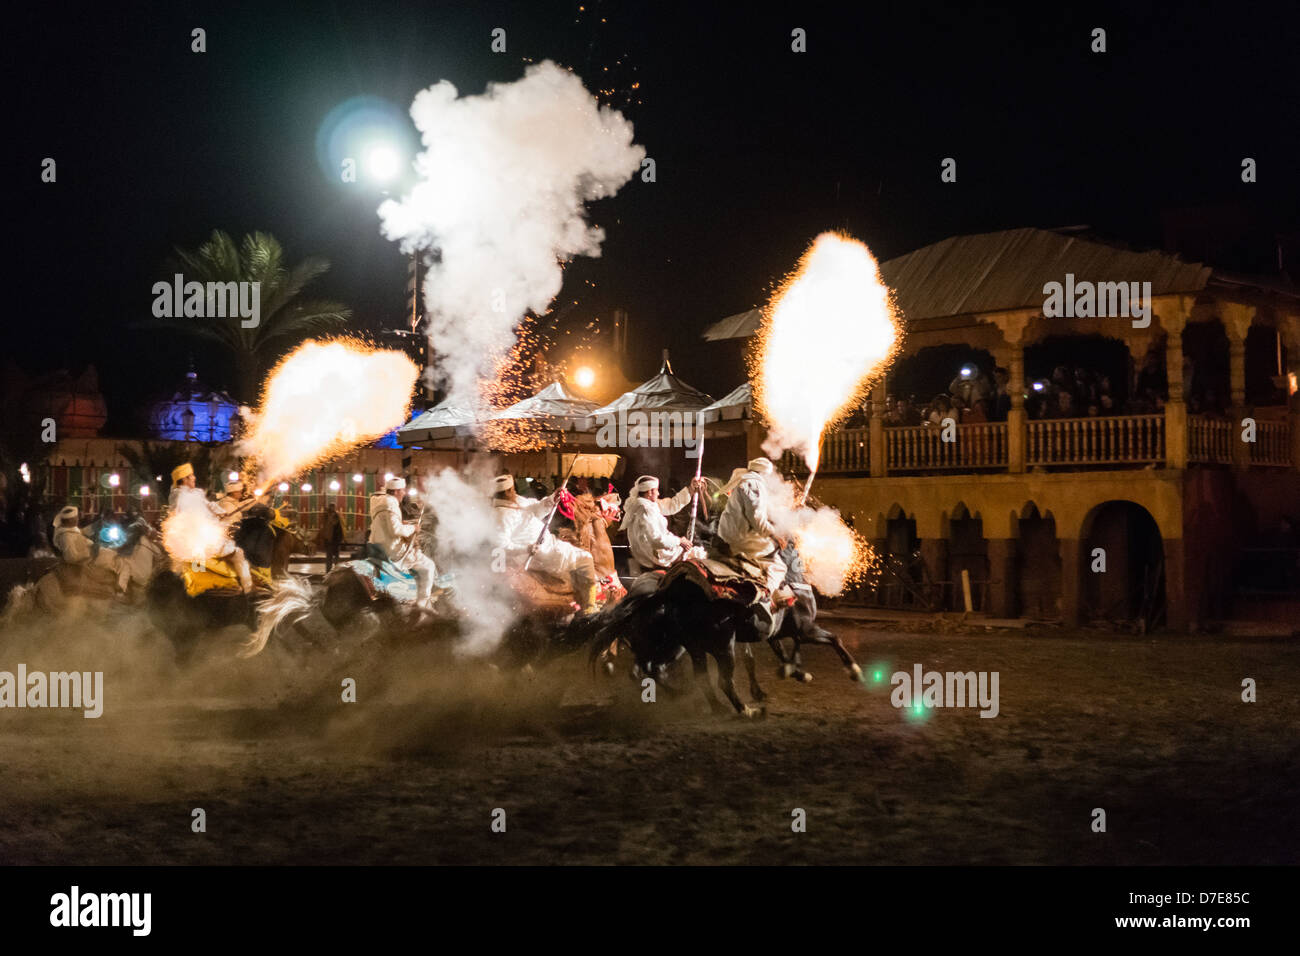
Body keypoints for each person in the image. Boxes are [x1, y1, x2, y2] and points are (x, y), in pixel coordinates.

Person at [492, 473, 598, 613]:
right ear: (507, 492)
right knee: (586, 558)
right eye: (512, 489)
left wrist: (553, 498)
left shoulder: (518, 501)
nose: (514, 491)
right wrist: (526, 548)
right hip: (538, 554)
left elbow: (537, 508)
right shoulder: (501, 515)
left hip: (549, 544)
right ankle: (590, 610)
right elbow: (502, 545)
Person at [168, 462, 253, 593]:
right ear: (184, 479)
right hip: (197, 543)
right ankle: (248, 590)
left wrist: (221, 512)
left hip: (198, 540)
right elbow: (195, 517)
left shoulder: (191, 493)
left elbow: (209, 505)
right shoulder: (181, 496)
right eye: (191, 476)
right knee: (238, 553)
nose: (194, 478)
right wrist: (215, 520)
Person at [714, 457, 787, 599]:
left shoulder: (745, 480)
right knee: (778, 564)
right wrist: (775, 535)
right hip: (740, 538)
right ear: (765, 473)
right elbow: (757, 518)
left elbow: (763, 509)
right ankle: (766, 593)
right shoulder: (754, 484)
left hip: (730, 533)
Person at [368, 477, 437, 606]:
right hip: (392, 549)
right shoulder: (391, 503)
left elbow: (388, 524)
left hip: (377, 545)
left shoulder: (379, 502)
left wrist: (403, 523)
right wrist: (413, 528)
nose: (404, 493)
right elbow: (396, 530)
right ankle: (422, 604)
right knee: (428, 565)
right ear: (395, 492)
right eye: (402, 490)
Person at [618, 474, 708, 574]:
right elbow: (656, 539)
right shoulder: (645, 509)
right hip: (654, 554)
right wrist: (679, 541)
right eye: (656, 490)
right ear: (649, 492)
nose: (658, 493)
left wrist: (691, 489)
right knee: (699, 556)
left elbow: (670, 505)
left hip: (658, 547)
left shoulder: (648, 503)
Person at [317, 502, 345, 572]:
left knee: (336, 557)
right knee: (329, 557)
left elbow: (338, 524)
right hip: (329, 540)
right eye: (331, 507)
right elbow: (325, 526)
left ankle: (336, 571)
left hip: (336, 539)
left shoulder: (337, 515)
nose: (332, 508)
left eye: (333, 507)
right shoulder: (326, 516)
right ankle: (328, 571)